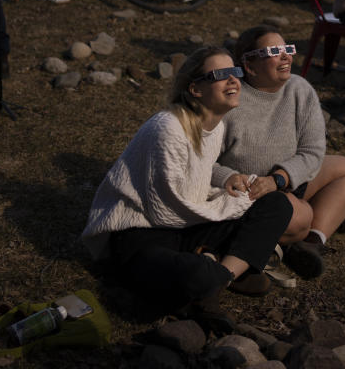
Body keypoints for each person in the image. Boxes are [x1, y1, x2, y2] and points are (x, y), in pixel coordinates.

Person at [82, 47, 293, 330]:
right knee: (195, 271)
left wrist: (226, 181)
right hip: (143, 235)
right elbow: (166, 209)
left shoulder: (214, 127)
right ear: (195, 89)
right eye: (221, 75)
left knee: (276, 204)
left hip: (184, 228)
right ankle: (217, 275)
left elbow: (195, 175)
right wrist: (233, 204)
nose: (233, 80)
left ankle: (217, 280)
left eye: (235, 72)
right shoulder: (167, 127)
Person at [214, 26, 345, 280]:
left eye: (287, 49)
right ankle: (300, 227)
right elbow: (203, 160)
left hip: (285, 179)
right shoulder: (229, 100)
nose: (286, 57)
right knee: (300, 217)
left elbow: (313, 151)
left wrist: (280, 178)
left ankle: (310, 244)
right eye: (274, 51)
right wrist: (230, 178)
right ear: (250, 65)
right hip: (251, 192)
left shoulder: (299, 89)